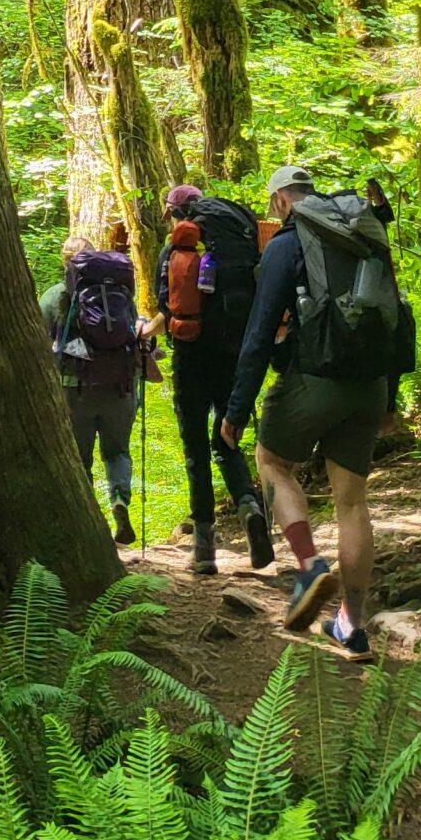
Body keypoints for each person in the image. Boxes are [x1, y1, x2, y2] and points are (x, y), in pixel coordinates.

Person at [221, 163, 396, 659]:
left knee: (272, 461)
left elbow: (259, 333)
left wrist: (237, 408)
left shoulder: (286, 243)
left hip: (313, 378)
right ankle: (351, 626)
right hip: (370, 383)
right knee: (353, 503)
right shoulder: (365, 232)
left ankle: (308, 564)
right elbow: (393, 315)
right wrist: (392, 396)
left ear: (280, 202)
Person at [144, 182, 275, 576]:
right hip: (233, 353)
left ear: (178, 214)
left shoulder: (175, 251)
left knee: (195, 450)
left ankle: (204, 549)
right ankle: (250, 507)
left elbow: (168, 306)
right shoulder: (238, 240)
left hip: (191, 356)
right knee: (227, 437)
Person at [42, 231, 141, 546]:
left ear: (65, 262)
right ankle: (120, 500)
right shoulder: (120, 294)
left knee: (80, 457)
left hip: (75, 389)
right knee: (118, 451)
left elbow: (43, 342)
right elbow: (133, 332)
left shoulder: (53, 296)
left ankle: (88, 526)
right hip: (119, 387)